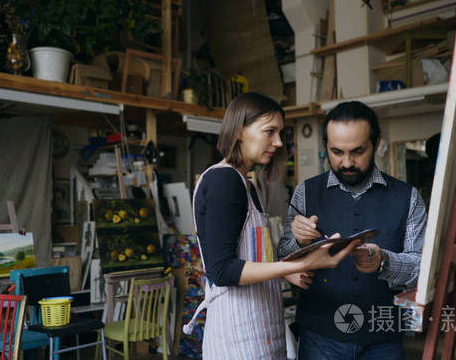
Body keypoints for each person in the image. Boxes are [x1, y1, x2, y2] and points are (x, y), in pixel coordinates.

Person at [183, 92, 359, 359]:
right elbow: (222, 270)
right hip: (237, 337)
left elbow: (248, 257)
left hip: (259, 328)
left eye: (280, 133)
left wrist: (286, 272)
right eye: (269, 131)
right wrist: (302, 264)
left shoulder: (247, 184)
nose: (277, 142)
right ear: (240, 130)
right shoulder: (223, 181)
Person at [278, 101, 427, 359]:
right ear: (326, 146)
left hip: (383, 336)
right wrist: (299, 242)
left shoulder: (408, 197)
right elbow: (284, 255)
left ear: (376, 143)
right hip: (320, 336)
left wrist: (385, 261)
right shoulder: (306, 192)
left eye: (357, 151)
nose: (347, 162)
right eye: (337, 152)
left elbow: (422, 267)